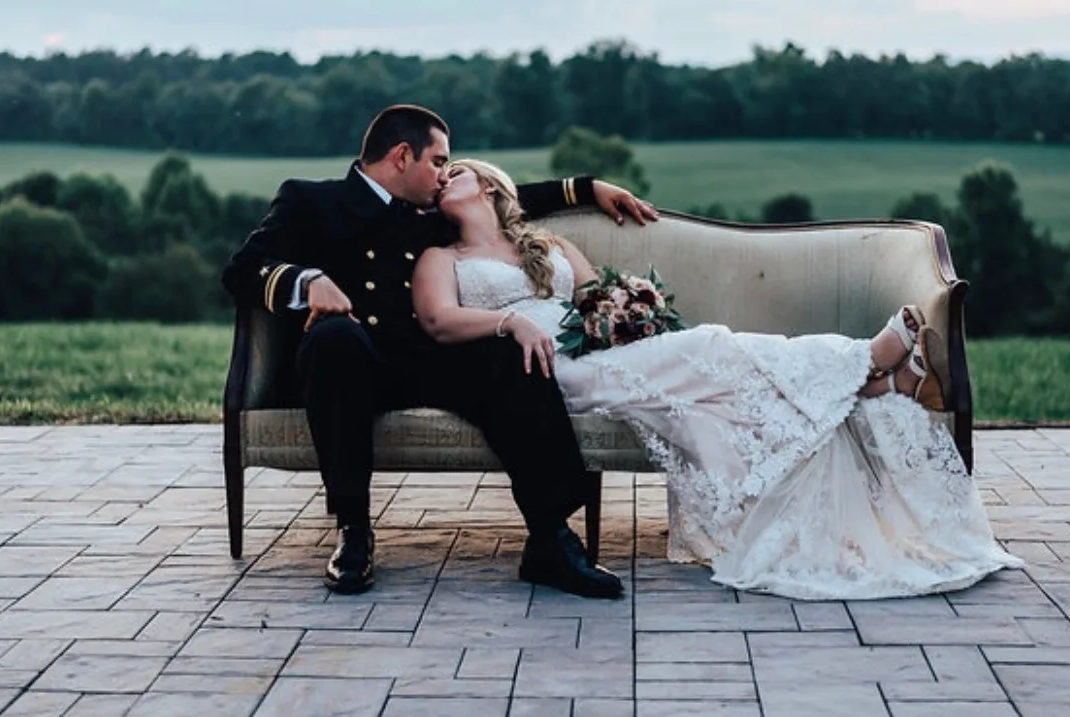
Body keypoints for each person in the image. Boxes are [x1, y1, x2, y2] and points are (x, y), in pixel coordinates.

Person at [412, 158, 1024, 600]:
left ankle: (874, 383)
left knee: (708, 399)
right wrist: (510, 321)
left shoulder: (547, 243)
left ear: (491, 187)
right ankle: (864, 365)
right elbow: (438, 321)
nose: (442, 180)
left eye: (454, 172)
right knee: (708, 347)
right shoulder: (442, 260)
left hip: (596, 354)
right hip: (547, 373)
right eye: (438, 176)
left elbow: (598, 293)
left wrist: (625, 311)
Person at [222, 104, 657, 599]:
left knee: (510, 349)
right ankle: (354, 531)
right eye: (439, 161)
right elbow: (243, 268)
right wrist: (308, 279)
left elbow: (504, 199)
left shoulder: (430, 212)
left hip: (427, 357)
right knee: (333, 337)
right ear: (403, 155)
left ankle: (550, 539)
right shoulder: (312, 201)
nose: (446, 175)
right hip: (351, 365)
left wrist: (586, 188)